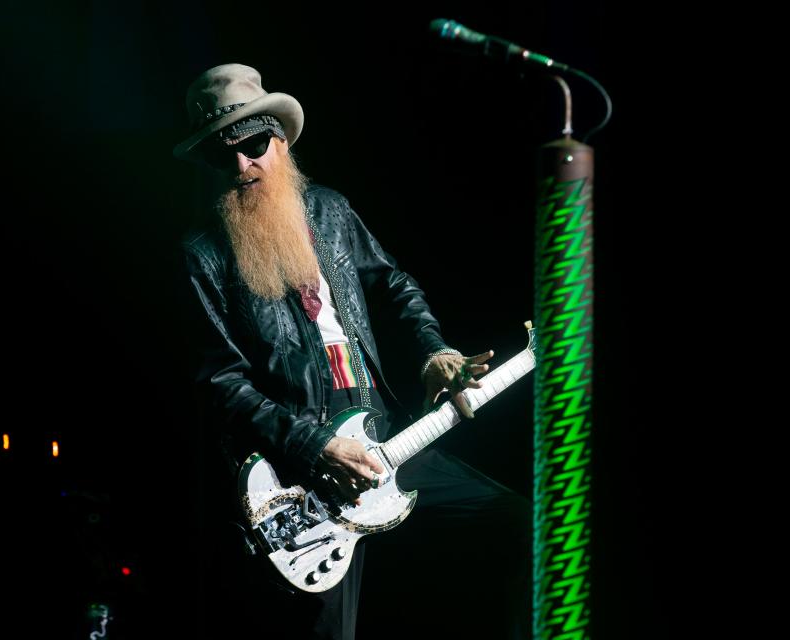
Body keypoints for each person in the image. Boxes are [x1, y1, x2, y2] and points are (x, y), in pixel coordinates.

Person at [171, 63, 531, 640]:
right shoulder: (203, 253)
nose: (242, 166)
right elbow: (221, 381)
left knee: (526, 529)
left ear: (279, 140)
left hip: (386, 434)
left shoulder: (331, 212)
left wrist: (432, 351)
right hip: (309, 475)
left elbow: (394, 284)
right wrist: (317, 446)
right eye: (224, 156)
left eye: (254, 145)